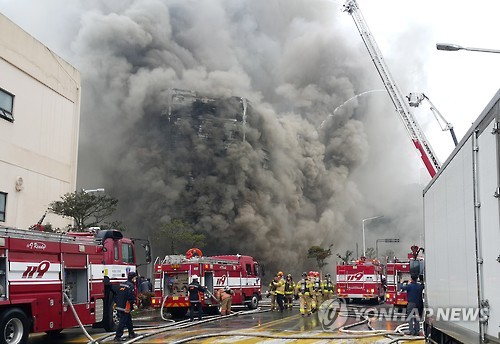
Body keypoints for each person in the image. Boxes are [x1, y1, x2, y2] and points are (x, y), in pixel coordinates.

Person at [113, 271, 137, 342]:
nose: (135, 279)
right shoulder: (131, 286)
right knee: (122, 322)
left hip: (119, 305)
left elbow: (116, 294)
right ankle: (118, 336)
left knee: (128, 319)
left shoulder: (122, 284)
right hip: (125, 307)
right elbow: (131, 297)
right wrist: (134, 304)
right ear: (133, 278)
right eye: (135, 278)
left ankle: (131, 333)